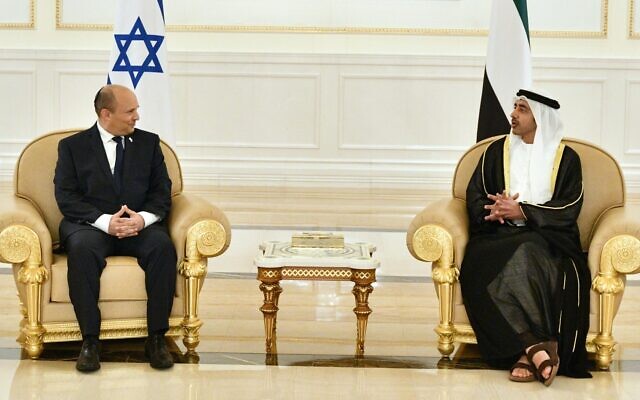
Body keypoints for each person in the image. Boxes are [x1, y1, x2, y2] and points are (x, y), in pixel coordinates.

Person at [459, 89, 591, 385]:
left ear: (540, 118)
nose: (513, 114)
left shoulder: (567, 158)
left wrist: (524, 212)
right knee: (478, 267)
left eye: (522, 109)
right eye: (515, 107)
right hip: (496, 235)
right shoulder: (495, 151)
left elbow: (570, 205)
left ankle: (524, 352)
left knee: (529, 250)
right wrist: (494, 211)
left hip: (546, 236)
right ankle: (536, 347)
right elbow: (475, 194)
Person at [54, 84, 177, 372]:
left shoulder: (149, 143)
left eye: (137, 109)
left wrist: (143, 218)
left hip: (138, 226)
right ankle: (90, 341)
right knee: (82, 251)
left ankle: (157, 338)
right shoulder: (72, 147)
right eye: (130, 111)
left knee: (162, 247)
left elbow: (162, 192)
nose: (137, 117)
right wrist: (104, 221)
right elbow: (66, 197)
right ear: (106, 114)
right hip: (91, 226)